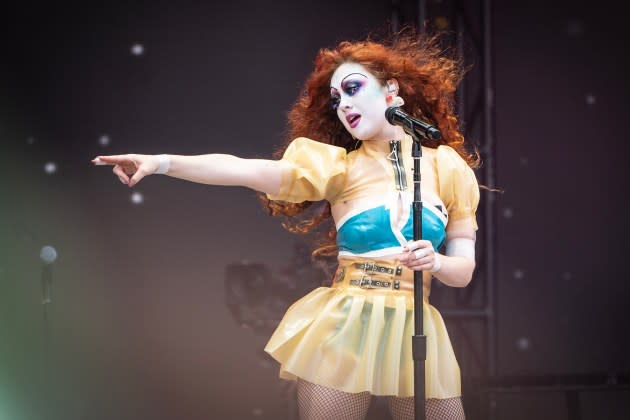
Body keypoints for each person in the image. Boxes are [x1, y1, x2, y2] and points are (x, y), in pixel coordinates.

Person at [92, 30, 480, 420]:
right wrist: (161, 162)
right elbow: (244, 169)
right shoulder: (337, 168)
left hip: (415, 325)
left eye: (352, 88)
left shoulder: (447, 168)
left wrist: (438, 263)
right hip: (347, 325)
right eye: (336, 99)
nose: (343, 104)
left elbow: (463, 271)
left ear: (390, 90)